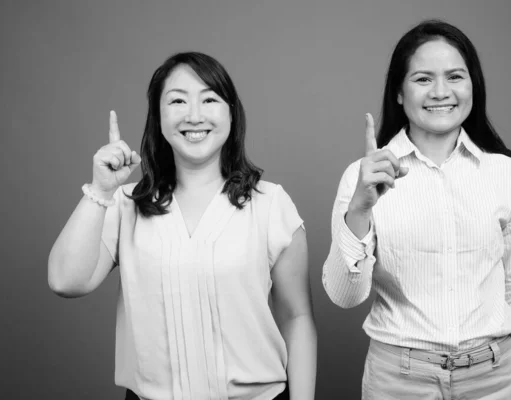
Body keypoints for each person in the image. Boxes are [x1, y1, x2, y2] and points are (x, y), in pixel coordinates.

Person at [48, 52, 317, 400]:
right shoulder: (125, 203)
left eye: (209, 99)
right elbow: (65, 281)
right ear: (158, 118)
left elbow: (297, 318)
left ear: (231, 114)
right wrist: (100, 190)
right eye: (177, 101)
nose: (194, 115)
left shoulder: (270, 203)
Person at [322, 20, 511, 400]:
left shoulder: (506, 174)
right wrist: (360, 209)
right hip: (398, 381)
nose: (441, 92)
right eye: (423, 79)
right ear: (399, 92)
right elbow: (345, 296)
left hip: (494, 378)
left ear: (472, 86)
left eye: (455, 77)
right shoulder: (363, 178)